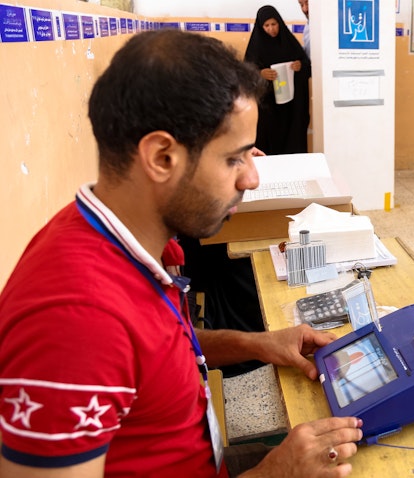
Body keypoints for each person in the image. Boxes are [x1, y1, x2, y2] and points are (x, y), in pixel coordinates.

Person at [0, 30, 361, 477]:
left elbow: (150, 357)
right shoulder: (77, 319)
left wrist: (258, 344)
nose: (252, 178)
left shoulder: (126, 242)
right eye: (235, 158)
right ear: (162, 157)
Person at [244, 5, 311, 155]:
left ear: (279, 23)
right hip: (268, 107)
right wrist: (260, 74)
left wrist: (300, 65)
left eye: (274, 24)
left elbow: (306, 64)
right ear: (261, 27)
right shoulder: (256, 47)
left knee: (291, 139)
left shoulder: (289, 43)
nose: (271, 29)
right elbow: (246, 73)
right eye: (266, 25)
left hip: (290, 107)